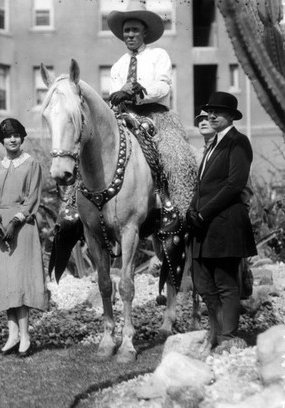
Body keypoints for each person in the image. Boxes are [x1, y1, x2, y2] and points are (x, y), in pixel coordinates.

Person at [107, 0, 197, 217]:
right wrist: (118, 96)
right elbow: (113, 95)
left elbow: (164, 85)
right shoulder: (118, 65)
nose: (130, 35)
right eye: (126, 30)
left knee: (177, 157)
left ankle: (179, 209)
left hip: (155, 116)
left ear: (144, 32)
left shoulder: (158, 55)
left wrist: (141, 90)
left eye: (135, 30)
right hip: (126, 117)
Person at [186, 91, 257, 351]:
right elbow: (203, 185)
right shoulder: (213, 144)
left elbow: (233, 185)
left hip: (225, 222)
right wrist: (192, 211)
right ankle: (216, 331)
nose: (212, 115)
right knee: (203, 282)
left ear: (231, 116)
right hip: (204, 225)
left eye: (218, 112)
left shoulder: (239, 142)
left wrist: (203, 213)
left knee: (226, 283)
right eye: (209, 111)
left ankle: (228, 336)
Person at [0, 118, 48, 357]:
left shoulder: (31, 164)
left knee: (20, 279)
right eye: (7, 136)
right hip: (0, 228)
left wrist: (14, 221)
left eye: (16, 135)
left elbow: (32, 197)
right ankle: (12, 334)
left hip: (22, 227)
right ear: (2, 140)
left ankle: (25, 335)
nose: (12, 139)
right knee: (6, 280)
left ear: (22, 138)